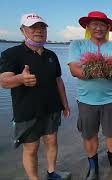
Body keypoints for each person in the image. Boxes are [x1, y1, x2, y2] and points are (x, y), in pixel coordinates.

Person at [0, 13, 71, 180]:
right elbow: (3, 81)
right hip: (27, 111)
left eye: (42, 27)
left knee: (52, 142)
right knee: (31, 149)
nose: (38, 30)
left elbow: (59, 81)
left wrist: (65, 104)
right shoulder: (12, 53)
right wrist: (20, 78)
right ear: (22, 30)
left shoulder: (51, 55)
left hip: (52, 108)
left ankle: (51, 172)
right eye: (33, 27)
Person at [67, 11, 112, 179]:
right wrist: (99, 71)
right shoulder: (77, 45)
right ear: (88, 26)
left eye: (102, 24)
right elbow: (74, 70)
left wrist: (102, 72)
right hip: (86, 101)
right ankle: (93, 167)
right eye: (94, 24)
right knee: (89, 135)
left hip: (110, 100)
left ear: (108, 27)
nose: (98, 28)